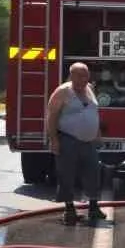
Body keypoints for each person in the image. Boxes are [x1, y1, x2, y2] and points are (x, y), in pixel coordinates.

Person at [44, 62, 105, 226]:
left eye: (85, 75)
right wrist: (54, 140)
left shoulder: (90, 89)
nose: (83, 79)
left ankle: (93, 207)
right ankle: (69, 210)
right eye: (79, 75)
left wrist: (97, 132)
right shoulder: (63, 92)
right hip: (68, 139)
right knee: (66, 174)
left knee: (93, 172)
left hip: (89, 141)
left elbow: (94, 112)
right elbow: (51, 117)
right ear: (71, 76)